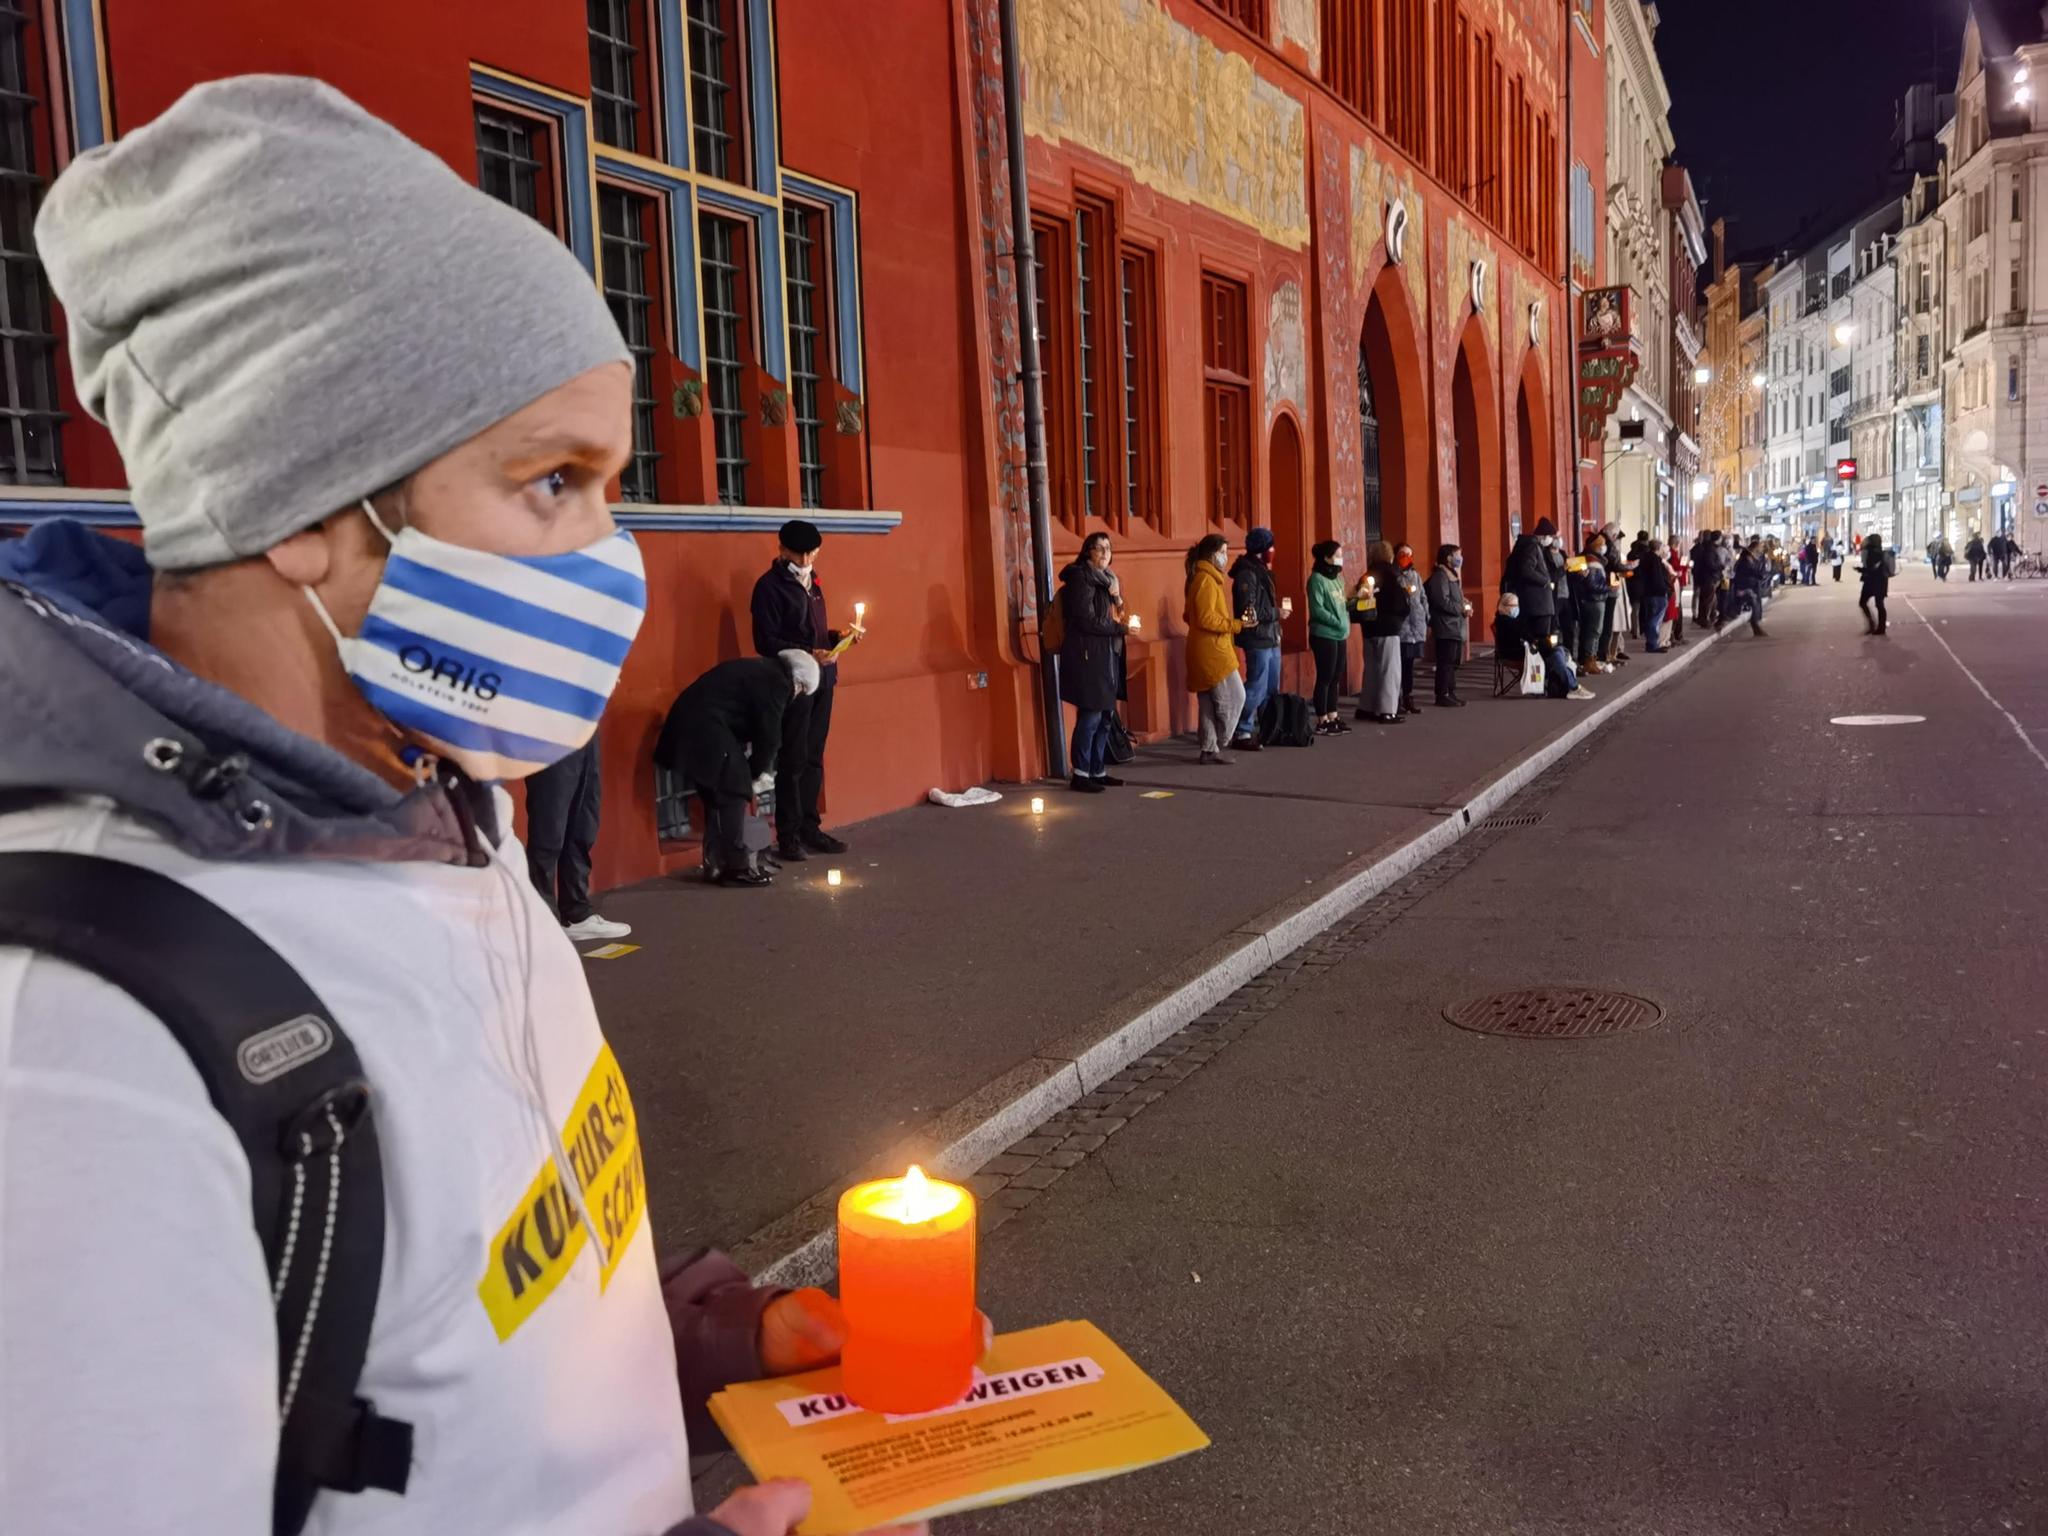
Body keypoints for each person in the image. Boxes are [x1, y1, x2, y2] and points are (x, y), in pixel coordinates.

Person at [0, 78, 912, 1536]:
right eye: (553, 480)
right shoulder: (78, 1052)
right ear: (300, 503)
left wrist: (708, 1355)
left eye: (610, 486)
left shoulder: (442, 814)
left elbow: (463, 1329)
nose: (605, 555)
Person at [656, 652, 819, 885]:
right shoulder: (778, 682)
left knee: (715, 794)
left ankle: (716, 862)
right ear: (798, 681)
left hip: (689, 724)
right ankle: (736, 866)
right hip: (704, 726)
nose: (797, 696)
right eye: (801, 690)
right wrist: (754, 773)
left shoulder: (762, 669)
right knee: (734, 785)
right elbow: (770, 737)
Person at [751, 518, 859, 864]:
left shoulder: (813, 582)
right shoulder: (769, 587)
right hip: (795, 683)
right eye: (801, 554)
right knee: (793, 758)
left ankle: (810, 828)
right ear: (782, 550)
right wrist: (807, 652)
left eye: (813, 553)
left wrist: (836, 637)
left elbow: (813, 631)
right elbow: (765, 642)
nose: (808, 560)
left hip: (824, 679)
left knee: (814, 757)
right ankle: (789, 835)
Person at [525, 736, 630, 943]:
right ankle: (543, 923)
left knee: (583, 823)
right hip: (549, 729)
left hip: (584, 725)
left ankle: (576, 914)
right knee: (549, 828)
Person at [1058, 531, 1132, 792]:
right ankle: (1081, 773)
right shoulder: (1082, 578)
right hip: (1087, 655)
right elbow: (1087, 619)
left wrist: (1118, 599)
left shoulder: (1108, 581)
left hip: (1107, 655)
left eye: (1108, 548)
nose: (1104, 553)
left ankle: (1097, 769)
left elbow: (1116, 614)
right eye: (1099, 548)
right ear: (1088, 551)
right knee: (1090, 715)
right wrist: (1120, 629)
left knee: (1106, 717)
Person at [1185, 533, 1256, 763]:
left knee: (1207, 701)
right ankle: (1224, 739)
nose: (1226, 557)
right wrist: (1236, 625)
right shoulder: (1206, 580)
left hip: (1204, 648)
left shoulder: (1202, 577)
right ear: (1212, 555)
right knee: (1235, 696)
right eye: (1223, 553)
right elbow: (1206, 618)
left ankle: (1209, 748)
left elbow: (1190, 616)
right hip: (1213, 652)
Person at [1229, 525, 1283, 750]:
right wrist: (1276, 613)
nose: (1273, 550)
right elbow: (1248, 611)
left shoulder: (1262, 571)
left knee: (1271, 686)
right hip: (1256, 637)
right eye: (1270, 546)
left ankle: (1268, 727)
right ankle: (1242, 729)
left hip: (1270, 636)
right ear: (1262, 549)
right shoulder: (1247, 574)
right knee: (1256, 686)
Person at [1494, 593, 1591, 701]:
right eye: (1513, 606)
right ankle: (1573, 687)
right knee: (1556, 654)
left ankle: (1572, 687)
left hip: (1522, 650)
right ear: (1504, 606)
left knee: (1557, 651)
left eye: (1517, 605)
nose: (1516, 609)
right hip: (1516, 653)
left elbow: (1526, 634)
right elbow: (1522, 635)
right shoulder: (1504, 621)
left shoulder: (1510, 620)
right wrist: (1535, 642)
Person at [1354, 540, 1409, 723]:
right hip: (1388, 628)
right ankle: (1387, 710)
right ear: (1389, 555)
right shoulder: (1392, 575)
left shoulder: (1367, 575)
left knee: (1371, 670)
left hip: (1369, 628)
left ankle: (1366, 707)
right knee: (1389, 671)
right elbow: (1400, 603)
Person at [1306, 538, 1352, 734]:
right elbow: (1317, 610)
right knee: (1325, 676)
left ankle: (1333, 714)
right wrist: (1336, 621)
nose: (1341, 559)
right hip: (1324, 634)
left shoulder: (1338, 579)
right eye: (1338, 556)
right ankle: (1322, 719)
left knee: (1336, 676)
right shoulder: (1317, 579)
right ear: (1327, 558)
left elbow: (1343, 603)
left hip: (1341, 633)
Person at [1424, 543, 1470, 707]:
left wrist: (1465, 604)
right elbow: (1442, 601)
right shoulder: (1440, 576)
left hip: (1455, 625)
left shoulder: (1452, 575)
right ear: (1448, 558)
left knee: (1453, 662)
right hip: (1445, 626)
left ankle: (1450, 692)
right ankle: (1442, 694)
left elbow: (1455, 597)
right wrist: (1460, 609)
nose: (1460, 558)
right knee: (1445, 662)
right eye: (1458, 555)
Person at [1568, 534, 1613, 674]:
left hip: (1589, 600)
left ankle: (1588, 659)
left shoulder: (1585, 558)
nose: (1604, 547)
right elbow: (1592, 584)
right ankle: (1589, 660)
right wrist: (1609, 587)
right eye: (1602, 544)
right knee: (1594, 631)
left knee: (1589, 631)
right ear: (1596, 546)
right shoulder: (1592, 561)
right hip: (1595, 600)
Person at [1394, 540, 1429, 714]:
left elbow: (1423, 597)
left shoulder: (1415, 575)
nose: (1406, 558)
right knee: (1400, 665)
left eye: (1409, 554)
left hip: (1416, 627)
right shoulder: (1395, 576)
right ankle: (1398, 699)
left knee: (1410, 666)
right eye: (1402, 554)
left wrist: (1425, 615)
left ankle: (1408, 697)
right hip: (1403, 629)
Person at [1727, 535, 1770, 636]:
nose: (1759, 551)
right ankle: (1755, 626)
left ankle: (1755, 625)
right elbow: (1749, 571)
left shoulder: (1752, 557)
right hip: (1745, 585)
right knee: (1754, 603)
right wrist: (1758, 575)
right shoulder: (1746, 558)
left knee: (1753, 603)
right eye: (1758, 548)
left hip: (1750, 585)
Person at [1638, 538, 1674, 652]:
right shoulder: (1655, 560)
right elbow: (1658, 578)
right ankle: (1653, 644)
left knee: (1651, 617)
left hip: (1648, 592)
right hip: (1657, 593)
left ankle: (1651, 643)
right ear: (1658, 548)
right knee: (1655, 619)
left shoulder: (1645, 558)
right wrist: (1664, 590)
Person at [1858, 532, 1891, 636]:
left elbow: (1870, 568)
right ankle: (1880, 627)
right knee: (1879, 604)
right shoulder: (1881, 552)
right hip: (1881, 581)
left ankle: (1873, 625)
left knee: (1863, 602)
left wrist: (1861, 570)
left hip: (1871, 581)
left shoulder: (1870, 552)